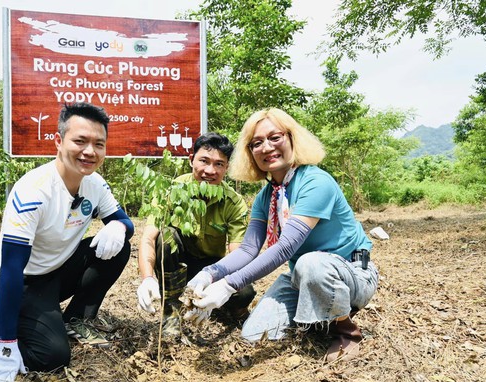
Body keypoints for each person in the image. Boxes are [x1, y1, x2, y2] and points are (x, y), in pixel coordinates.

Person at [0, 102, 134, 382]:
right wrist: (6, 347)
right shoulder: (33, 191)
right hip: (19, 282)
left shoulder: (95, 184)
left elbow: (125, 221)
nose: (90, 151)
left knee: (118, 246)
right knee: (52, 357)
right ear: (59, 142)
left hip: (57, 271)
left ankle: (75, 320)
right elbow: (11, 269)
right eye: (80, 141)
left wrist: (120, 226)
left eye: (99, 144)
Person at [183, 108, 378, 362]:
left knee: (311, 263)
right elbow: (247, 250)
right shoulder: (267, 196)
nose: (266, 148)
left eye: (275, 138)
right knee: (254, 334)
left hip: (351, 272)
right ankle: (317, 313)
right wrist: (209, 274)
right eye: (257, 143)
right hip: (301, 277)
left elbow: (286, 247)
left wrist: (230, 285)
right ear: (250, 153)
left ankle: (346, 331)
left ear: (292, 139)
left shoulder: (315, 182)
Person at [136, 132, 256, 336]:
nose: (210, 170)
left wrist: (221, 284)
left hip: (213, 269)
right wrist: (147, 278)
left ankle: (231, 311)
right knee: (166, 237)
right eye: (204, 161)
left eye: (219, 164)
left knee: (245, 292)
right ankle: (171, 310)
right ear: (191, 160)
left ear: (226, 168)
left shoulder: (233, 202)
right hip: (176, 266)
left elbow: (238, 254)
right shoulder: (171, 191)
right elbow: (148, 238)